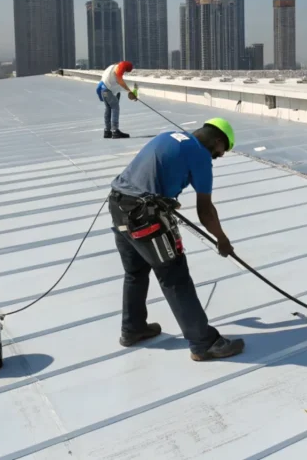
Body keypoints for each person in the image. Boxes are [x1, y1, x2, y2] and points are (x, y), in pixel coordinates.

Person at [107, 117, 245, 361]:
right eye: (223, 151)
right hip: (144, 219)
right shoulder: (201, 156)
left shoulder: (168, 136)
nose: (219, 156)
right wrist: (222, 239)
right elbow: (205, 210)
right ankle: (204, 343)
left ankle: (133, 328)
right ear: (216, 141)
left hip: (119, 205)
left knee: (135, 272)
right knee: (174, 275)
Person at [97, 61, 136, 138]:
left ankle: (107, 131)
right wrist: (130, 91)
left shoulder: (111, 68)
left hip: (103, 90)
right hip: (108, 91)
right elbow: (120, 80)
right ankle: (115, 131)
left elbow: (102, 84)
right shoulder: (120, 68)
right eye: (125, 71)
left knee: (108, 109)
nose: (124, 72)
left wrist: (100, 95)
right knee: (115, 107)